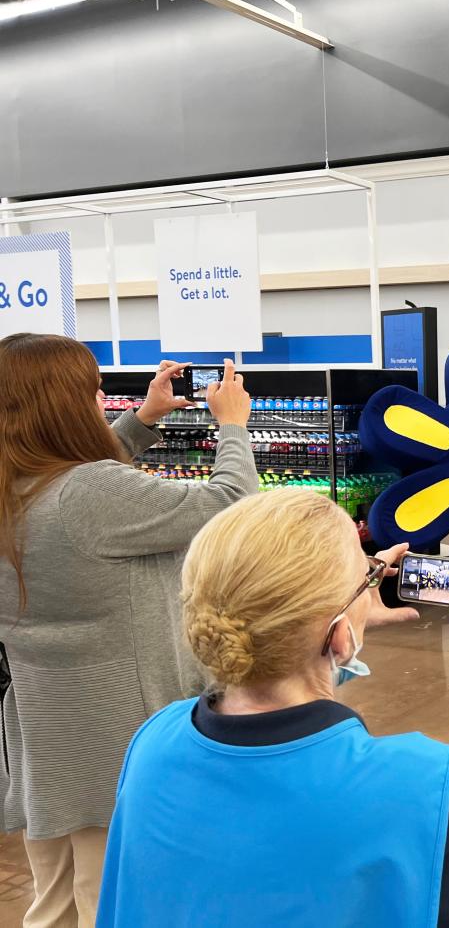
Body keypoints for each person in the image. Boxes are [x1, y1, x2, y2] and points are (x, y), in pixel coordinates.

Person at [96, 489, 449, 927]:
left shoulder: (154, 741)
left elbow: (274, 696)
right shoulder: (417, 790)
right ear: (339, 635)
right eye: (363, 572)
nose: (373, 574)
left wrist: (337, 639)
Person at [0, 335, 257, 928]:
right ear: (65, 404)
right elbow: (231, 503)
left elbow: (63, 490)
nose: (99, 397)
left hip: (44, 730)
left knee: (56, 897)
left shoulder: (19, 483)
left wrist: (141, 420)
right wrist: (234, 427)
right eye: (92, 389)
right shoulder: (90, 492)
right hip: (121, 730)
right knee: (114, 900)